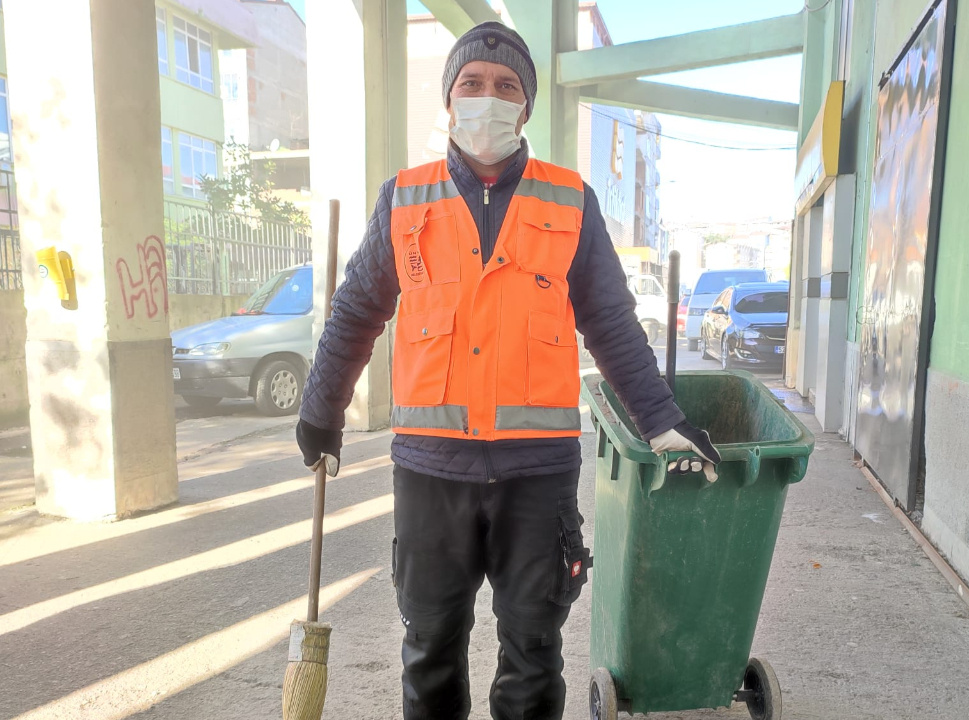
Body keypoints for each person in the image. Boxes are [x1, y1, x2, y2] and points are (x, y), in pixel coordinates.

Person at [296, 21, 720, 720]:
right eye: (472, 84)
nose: (487, 99)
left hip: (537, 476)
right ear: (449, 99)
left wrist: (663, 419)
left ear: (525, 108)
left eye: (505, 87)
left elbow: (610, 322)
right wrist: (322, 412)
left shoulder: (570, 200)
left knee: (533, 653)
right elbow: (353, 314)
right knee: (430, 648)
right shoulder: (405, 201)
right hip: (432, 472)